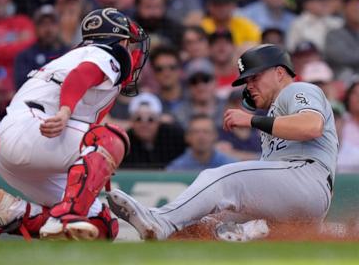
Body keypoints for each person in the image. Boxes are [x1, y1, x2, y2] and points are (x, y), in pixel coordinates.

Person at [107, 44, 337, 242]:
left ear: (279, 73)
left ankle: (161, 220)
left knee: (219, 178)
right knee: (206, 223)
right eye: (247, 81)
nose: (249, 86)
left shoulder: (297, 89)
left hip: (306, 178)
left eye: (255, 77)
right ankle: (239, 232)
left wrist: (251, 120)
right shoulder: (276, 111)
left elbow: (311, 126)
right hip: (296, 198)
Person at [0, 7, 150, 241]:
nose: (132, 50)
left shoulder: (71, 58)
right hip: (30, 135)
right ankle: (66, 215)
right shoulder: (110, 52)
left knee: (100, 226)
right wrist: (66, 110)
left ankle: (12, 212)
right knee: (111, 138)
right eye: (130, 42)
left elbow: (14, 133)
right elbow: (79, 76)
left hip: (17, 148)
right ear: (121, 40)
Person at [120, 92, 186, 170]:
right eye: (138, 119)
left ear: (159, 121)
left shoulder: (173, 137)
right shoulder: (124, 143)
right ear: (131, 122)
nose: (144, 124)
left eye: (150, 119)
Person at [14, 5, 69, 90]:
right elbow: (22, 84)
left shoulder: (69, 53)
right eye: (43, 24)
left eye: (52, 23)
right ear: (35, 28)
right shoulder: (25, 56)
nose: (48, 29)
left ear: (59, 27)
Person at [166, 114, 237, 171]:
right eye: (196, 132)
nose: (201, 137)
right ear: (187, 137)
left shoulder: (230, 166)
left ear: (215, 135)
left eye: (206, 131)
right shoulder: (176, 169)